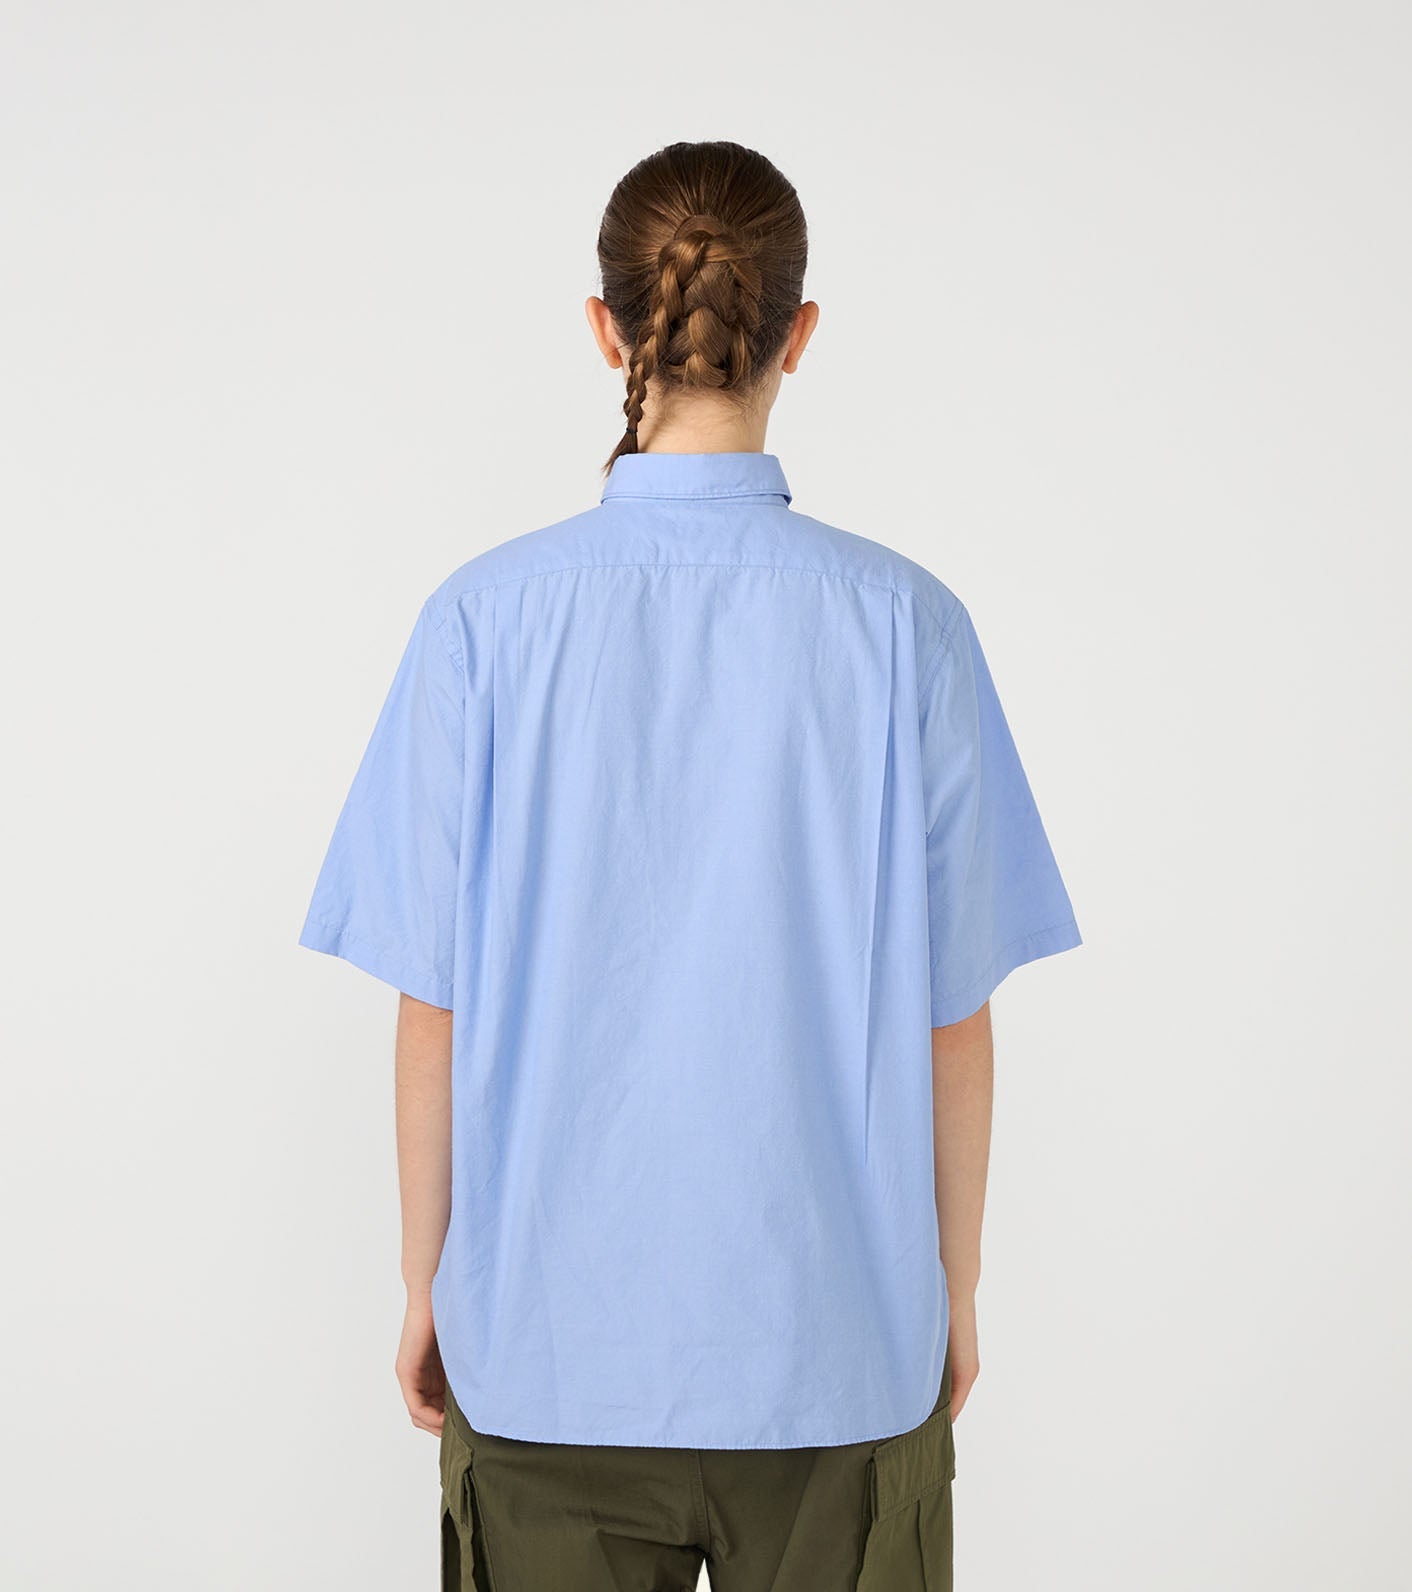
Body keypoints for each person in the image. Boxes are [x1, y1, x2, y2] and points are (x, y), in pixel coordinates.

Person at [298, 139, 1082, 1592]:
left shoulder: (480, 623)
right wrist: (954, 1291)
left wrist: (425, 1284)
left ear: (608, 331)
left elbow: (433, 1007)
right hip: (839, 1353)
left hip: (545, 1356)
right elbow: (953, 1017)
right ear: (800, 332)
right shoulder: (906, 624)